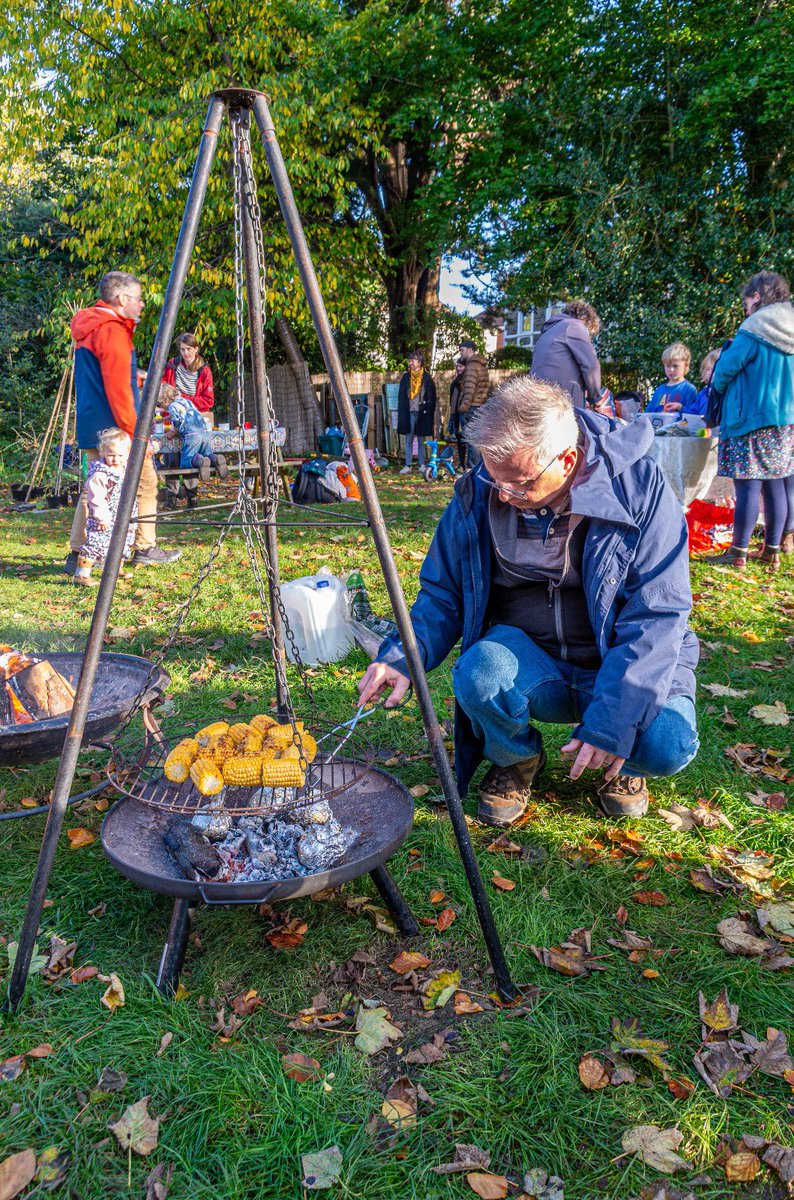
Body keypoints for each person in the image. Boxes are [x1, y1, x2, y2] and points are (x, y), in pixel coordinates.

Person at [358, 376, 699, 825]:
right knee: (479, 673)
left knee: (666, 743)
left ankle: (623, 764)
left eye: (518, 484)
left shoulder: (641, 488)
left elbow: (656, 614)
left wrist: (614, 721)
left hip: (619, 660)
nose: (501, 494)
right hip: (533, 662)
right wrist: (403, 657)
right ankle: (515, 758)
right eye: (493, 478)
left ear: (568, 460)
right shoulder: (483, 486)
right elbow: (443, 593)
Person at [65, 271, 181, 572]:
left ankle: (78, 553)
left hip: (94, 421)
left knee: (94, 488)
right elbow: (118, 392)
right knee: (144, 484)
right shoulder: (112, 331)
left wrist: (134, 376)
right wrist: (138, 437)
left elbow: (104, 376)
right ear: (122, 299)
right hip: (118, 429)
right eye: (139, 298)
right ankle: (144, 546)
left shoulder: (90, 325)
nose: (142, 304)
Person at [710, 270, 794, 570]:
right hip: (786, 420)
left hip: (751, 418)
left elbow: (725, 370)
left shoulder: (755, 328)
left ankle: (738, 552)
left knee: (746, 487)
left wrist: (718, 391)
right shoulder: (790, 328)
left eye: (747, 300)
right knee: (775, 485)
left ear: (757, 296)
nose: (745, 306)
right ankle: (772, 550)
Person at [72, 429, 137, 587]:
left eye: (120, 455)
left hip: (122, 514)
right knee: (96, 543)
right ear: (103, 452)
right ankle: (82, 574)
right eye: (111, 455)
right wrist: (101, 517)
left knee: (123, 540)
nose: (115, 459)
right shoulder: (100, 474)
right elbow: (96, 498)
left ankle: (115, 568)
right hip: (104, 517)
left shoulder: (124, 470)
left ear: (127, 454)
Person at [158, 383, 229, 507]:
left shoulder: (172, 406)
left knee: (186, 462)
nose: (162, 408)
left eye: (161, 405)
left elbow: (178, 422)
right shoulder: (185, 402)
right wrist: (163, 420)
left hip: (192, 436)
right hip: (205, 433)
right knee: (207, 453)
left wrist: (170, 433)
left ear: (165, 400)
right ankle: (215, 459)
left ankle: (200, 461)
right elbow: (185, 414)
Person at [530, 301, 601, 408]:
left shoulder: (549, 332)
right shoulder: (574, 325)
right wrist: (595, 398)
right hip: (560, 401)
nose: (588, 338)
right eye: (589, 333)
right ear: (586, 320)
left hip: (536, 396)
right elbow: (591, 365)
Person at [397, 350, 437, 474]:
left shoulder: (427, 378)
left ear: (419, 362)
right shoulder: (405, 377)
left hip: (422, 413)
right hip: (408, 412)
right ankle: (408, 465)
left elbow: (432, 397)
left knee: (421, 439)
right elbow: (401, 396)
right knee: (408, 439)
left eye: (412, 360)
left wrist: (428, 412)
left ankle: (421, 464)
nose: (410, 363)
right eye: (409, 360)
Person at [161, 333, 215, 422]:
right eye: (182, 349)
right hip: (172, 416)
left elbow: (208, 401)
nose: (186, 353)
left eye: (189, 349)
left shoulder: (204, 371)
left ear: (196, 349)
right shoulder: (172, 365)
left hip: (195, 417)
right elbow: (164, 390)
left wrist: (180, 398)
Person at [457, 338, 490, 466]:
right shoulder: (481, 365)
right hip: (480, 406)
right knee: (478, 441)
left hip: (471, 408)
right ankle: (480, 469)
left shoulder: (471, 366)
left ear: (470, 350)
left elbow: (469, 390)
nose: (461, 353)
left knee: (471, 442)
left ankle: (472, 471)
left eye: (462, 350)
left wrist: (463, 407)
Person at [647, 343, 700, 414]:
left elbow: (693, 416)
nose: (671, 370)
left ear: (686, 366)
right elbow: (648, 413)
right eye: (668, 366)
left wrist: (680, 408)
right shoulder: (660, 390)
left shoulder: (689, 389)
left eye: (675, 366)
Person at [447, 358, 467, 471]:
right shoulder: (455, 382)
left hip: (464, 413)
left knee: (467, 441)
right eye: (458, 366)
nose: (459, 368)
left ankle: (469, 465)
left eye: (461, 366)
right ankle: (461, 463)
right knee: (459, 440)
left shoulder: (466, 382)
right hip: (456, 415)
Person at [693, 349, 721, 419]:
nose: (709, 373)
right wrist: (680, 408)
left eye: (713, 370)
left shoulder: (725, 393)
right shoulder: (704, 392)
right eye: (708, 369)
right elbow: (693, 411)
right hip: (701, 428)